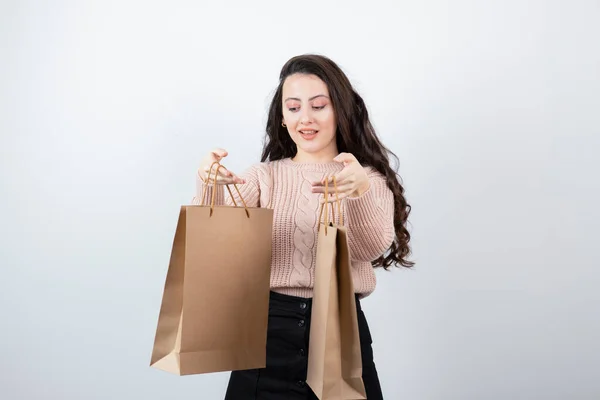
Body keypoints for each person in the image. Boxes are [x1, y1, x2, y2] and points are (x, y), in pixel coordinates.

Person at [193, 54, 413, 400]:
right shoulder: (264, 177)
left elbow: (370, 248)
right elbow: (214, 244)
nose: (305, 119)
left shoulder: (367, 179)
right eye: (293, 108)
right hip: (266, 334)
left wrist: (359, 193)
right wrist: (209, 185)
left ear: (340, 110)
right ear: (282, 118)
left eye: (318, 106)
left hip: (341, 332)